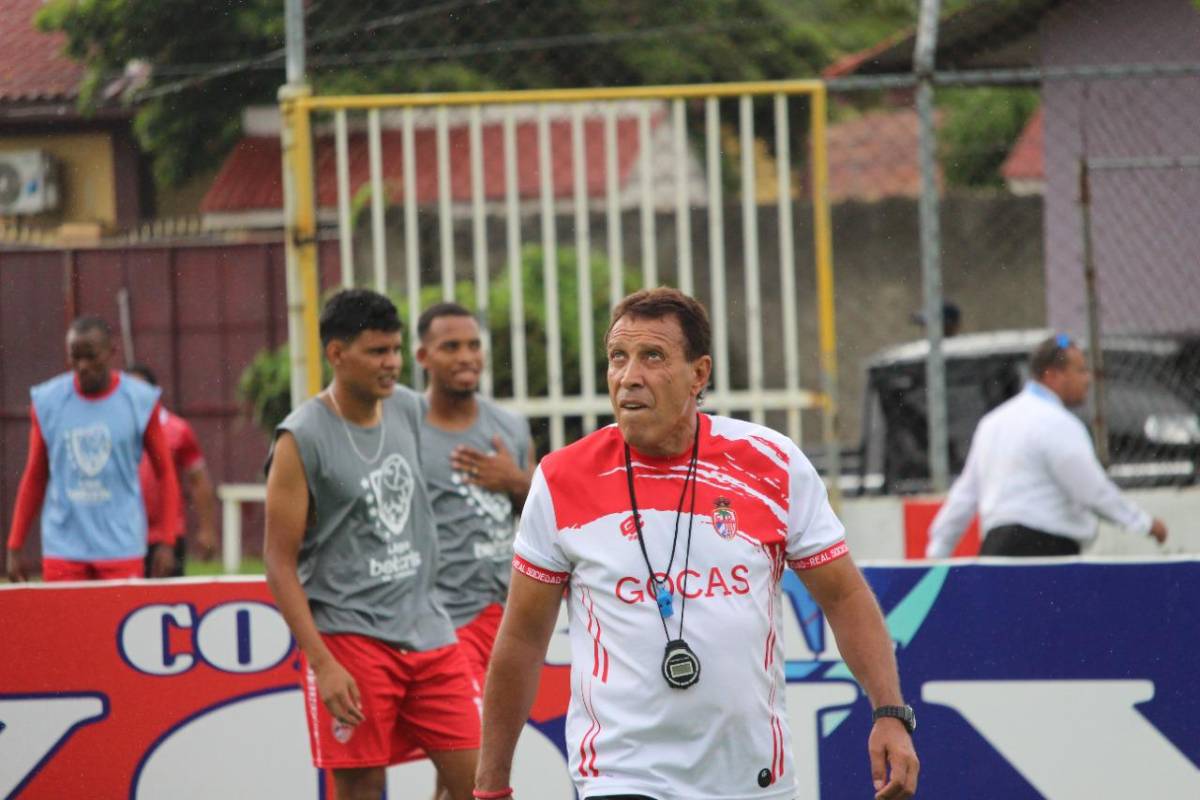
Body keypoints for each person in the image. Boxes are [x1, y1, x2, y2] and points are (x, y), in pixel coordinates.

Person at [475, 288, 919, 800]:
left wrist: (889, 712)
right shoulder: (562, 479)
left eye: (653, 356)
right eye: (618, 357)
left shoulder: (771, 463)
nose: (629, 376)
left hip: (754, 778)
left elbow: (843, 596)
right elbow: (524, 639)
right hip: (622, 775)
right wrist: (490, 787)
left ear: (699, 374)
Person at [263, 289, 479, 800]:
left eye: (396, 350)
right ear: (337, 354)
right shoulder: (300, 438)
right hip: (351, 639)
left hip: (430, 632)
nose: (393, 364)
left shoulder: (406, 408)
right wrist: (323, 664)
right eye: (378, 352)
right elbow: (277, 562)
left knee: (481, 784)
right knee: (362, 789)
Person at [397, 302, 535, 791]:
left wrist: (515, 481)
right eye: (450, 346)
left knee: (465, 772)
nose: (466, 356)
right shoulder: (405, 431)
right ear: (423, 357)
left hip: (507, 617)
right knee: (473, 767)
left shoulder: (509, 426)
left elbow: (541, 516)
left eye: (473, 345)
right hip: (445, 620)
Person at [926, 334, 1168, 558]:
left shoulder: (993, 423)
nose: (1088, 379)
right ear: (1052, 375)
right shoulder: (1058, 424)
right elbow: (1091, 490)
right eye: (1080, 371)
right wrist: (1143, 523)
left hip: (994, 551)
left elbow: (965, 495)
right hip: (1044, 549)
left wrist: (938, 550)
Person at [6, 316, 180, 582]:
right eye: (75, 357)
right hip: (64, 548)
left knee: (119, 612)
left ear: (111, 352)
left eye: (90, 356)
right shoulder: (48, 401)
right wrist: (15, 544)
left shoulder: (139, 401)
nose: (83, 366)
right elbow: (35, 476)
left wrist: (167, 541)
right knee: (64, 612)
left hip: (121, 546)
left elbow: (165, 473)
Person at [127, 364, 219, 578]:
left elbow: (198, 479)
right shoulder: (114, 428)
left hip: (166, 535)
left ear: (153, 393)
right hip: (124, 535)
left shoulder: (176, 429)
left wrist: (207, 529)